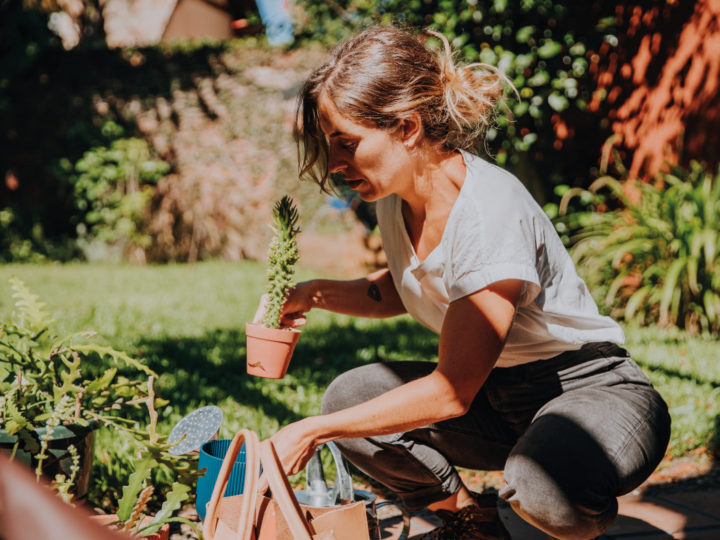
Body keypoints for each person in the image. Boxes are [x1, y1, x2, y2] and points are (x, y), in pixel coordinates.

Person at [252, 26, 671, 539]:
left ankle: (580, 507)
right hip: (497, 404)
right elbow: (408, 285)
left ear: (406, 128)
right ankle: (470, 524)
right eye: (328, 145)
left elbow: (451, 391)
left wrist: (313, 433)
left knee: (543, 488)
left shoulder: (488, 211)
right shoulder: (396, 199)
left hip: (590, 391)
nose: (337, 163)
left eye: (347, 143)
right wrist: (312, 293)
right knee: (349, 397)